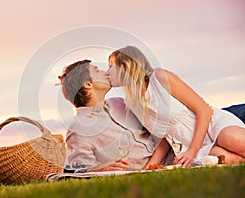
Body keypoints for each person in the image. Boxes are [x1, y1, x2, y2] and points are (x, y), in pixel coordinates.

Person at [106, 45, 245, 167]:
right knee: (219, 156)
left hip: (210, 126)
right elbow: (165, 137)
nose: (107, 72)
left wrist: (192, 151)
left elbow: (203, 110)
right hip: (188, 146)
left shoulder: (160, 77)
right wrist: (149, 167)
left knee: (231, 139)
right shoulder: (132, 103)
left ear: (126, 66)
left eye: (111, 66)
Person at [58, 59, 172, 171]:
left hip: (174, 155)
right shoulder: (79, 129)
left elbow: (161, 133)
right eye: (97, 71)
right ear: (88, 84)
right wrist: (101, 170)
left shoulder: (120, 102)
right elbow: (78, 171)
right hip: (160, 169)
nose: (106, 72)